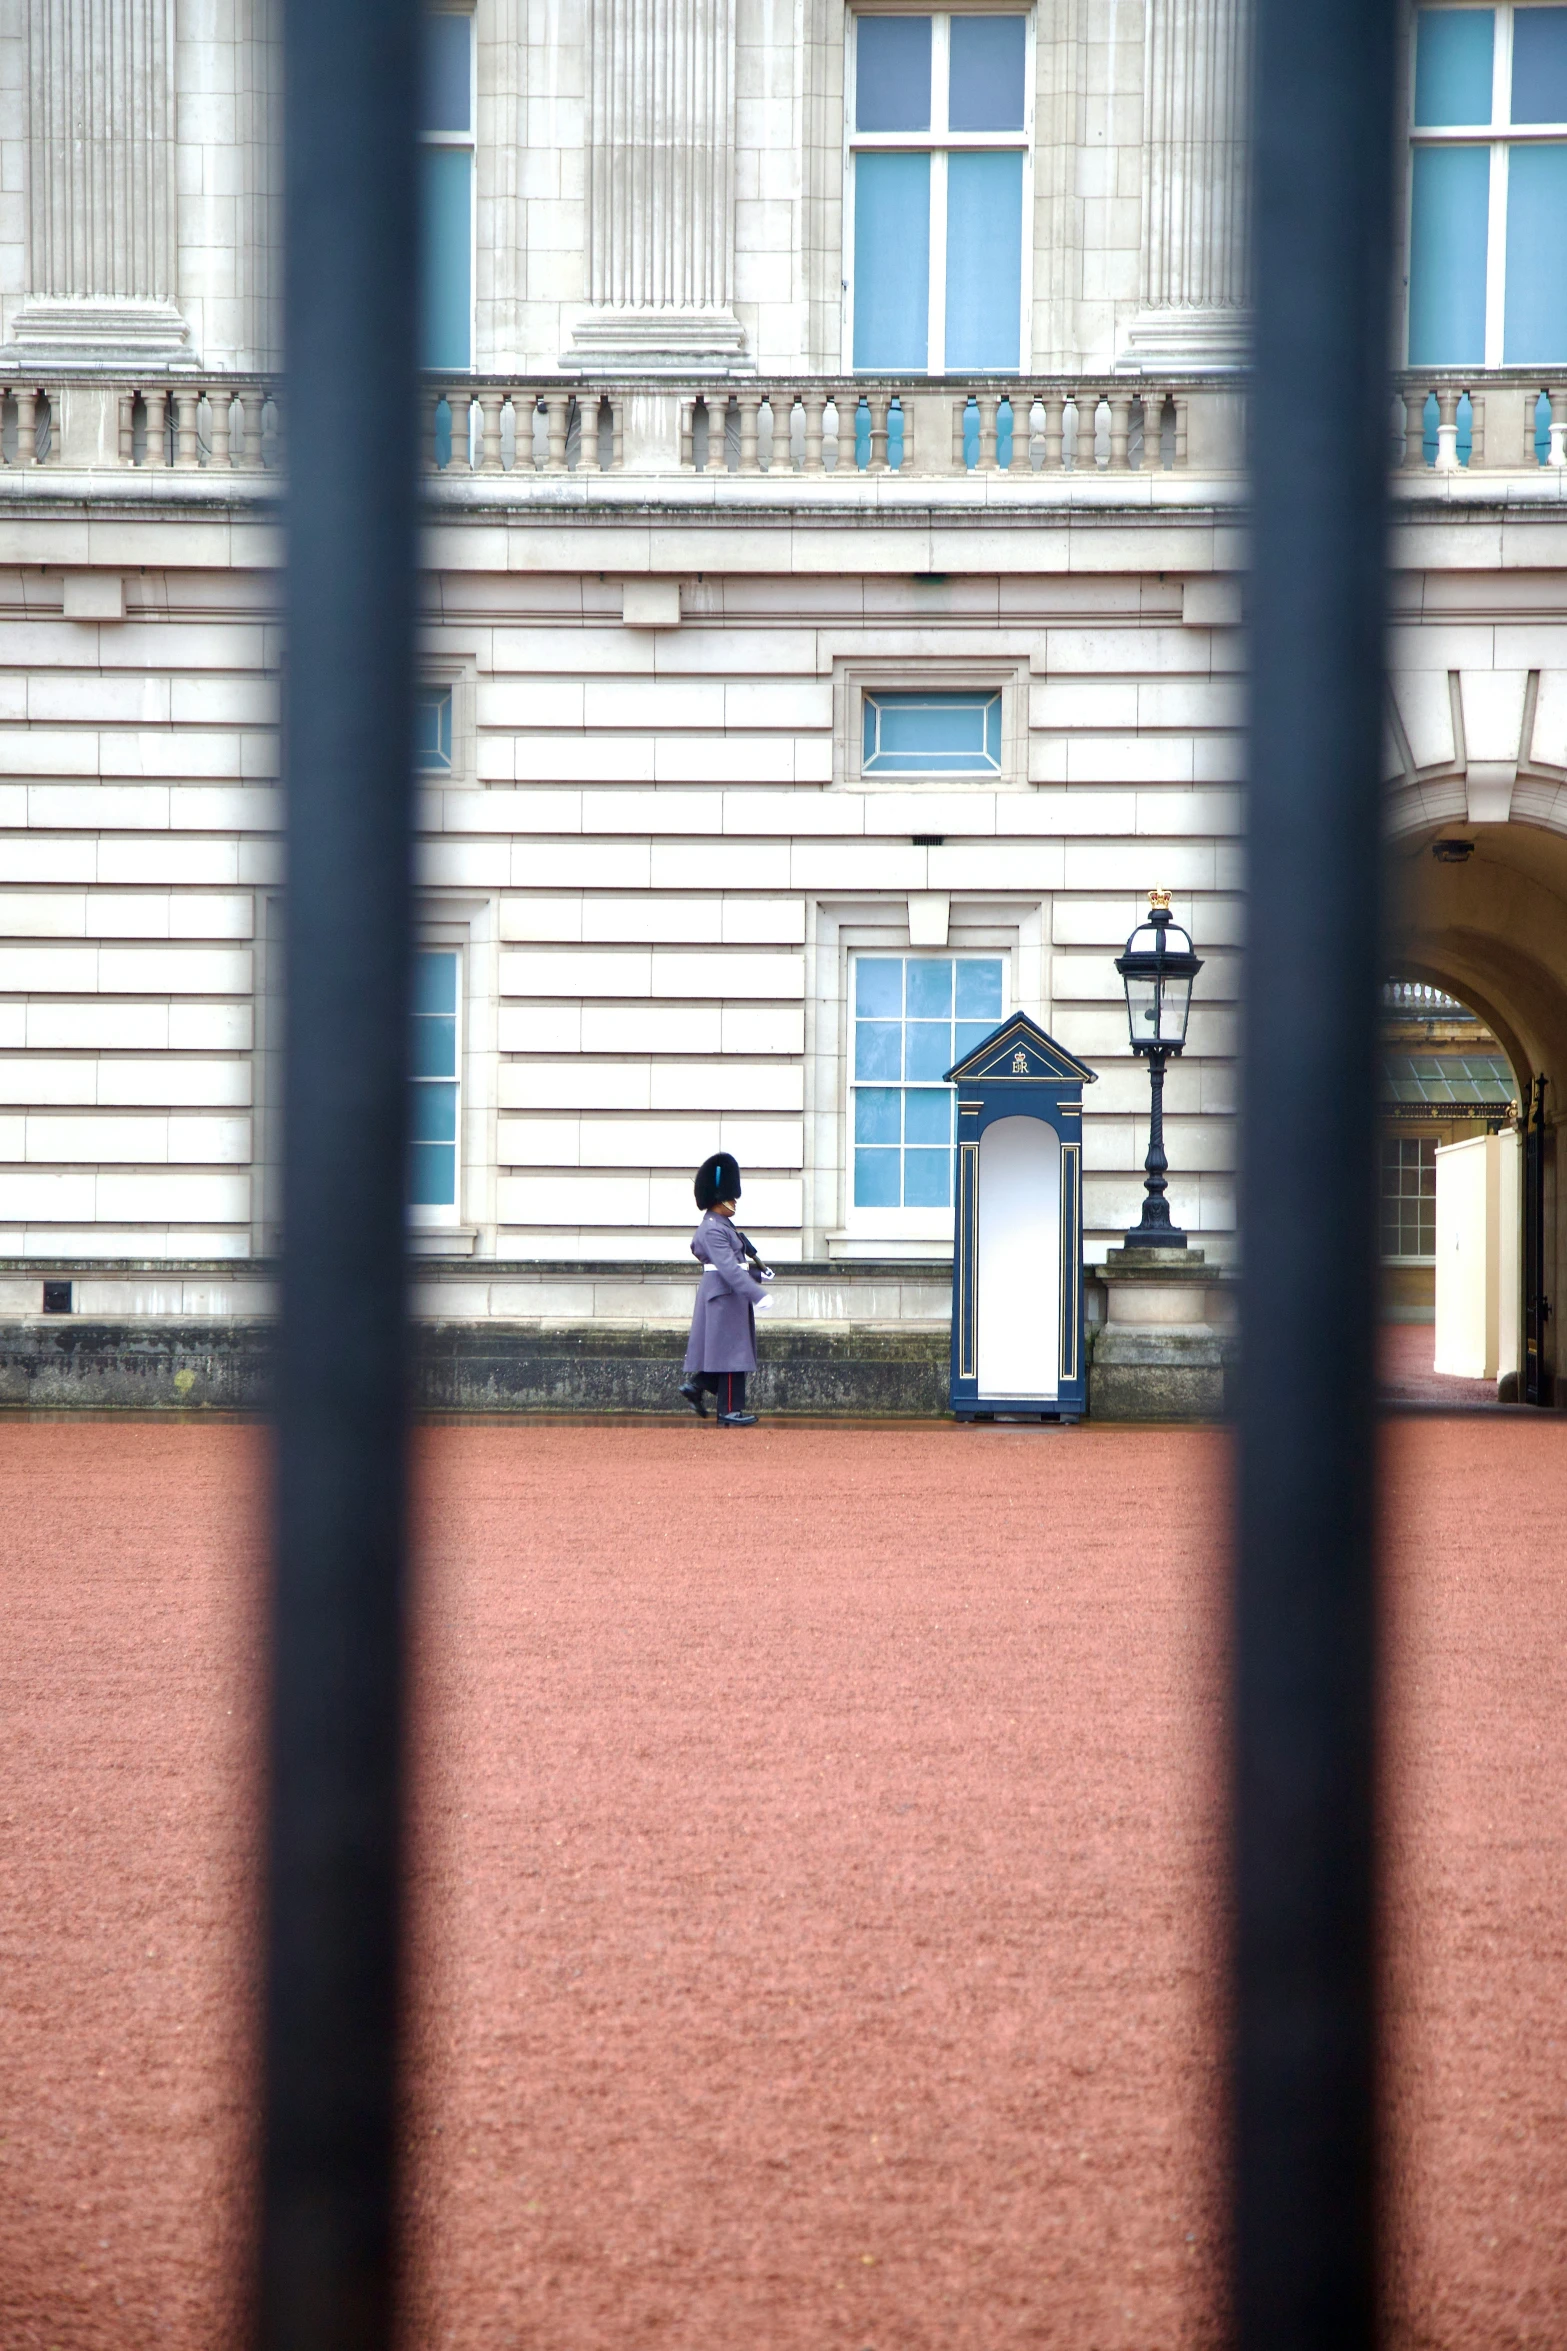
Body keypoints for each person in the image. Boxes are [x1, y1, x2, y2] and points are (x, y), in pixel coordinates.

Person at [679, 1151, 770, 1427]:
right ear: (718, 1198)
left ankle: (695, 1387)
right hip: (724, 1296)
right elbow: (728, 1268)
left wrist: (759, 1273)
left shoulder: (722, 1225)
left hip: (727, 1295)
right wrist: (757, 1294)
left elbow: (736, 1265)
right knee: (732, 1355)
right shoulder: (712, 1229)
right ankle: (729, 1409)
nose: (734, 1202)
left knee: (725, 1352)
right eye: (730, 1197)